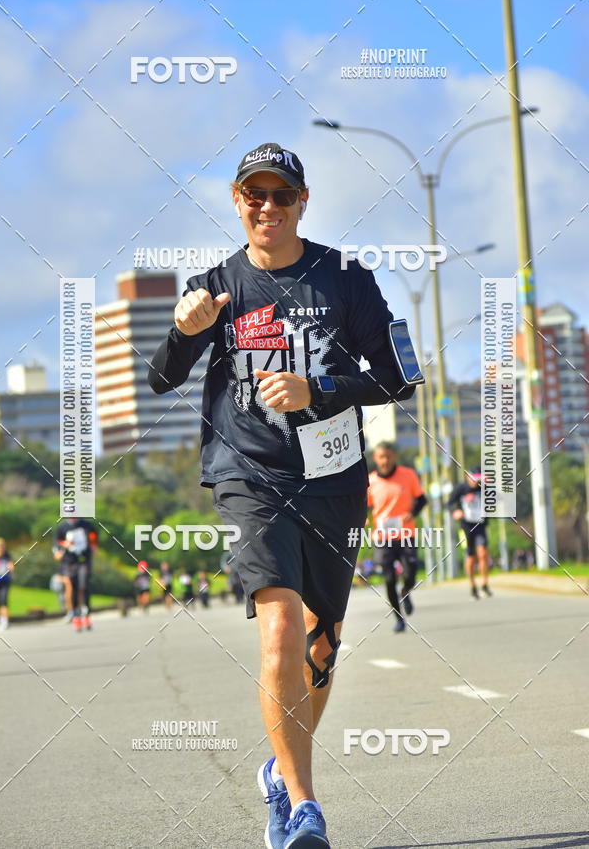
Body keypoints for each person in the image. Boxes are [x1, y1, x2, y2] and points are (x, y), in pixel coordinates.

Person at [148, 141, 418, 848]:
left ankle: (279, 768)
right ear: (236, 201)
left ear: (303, 203)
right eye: (254, 195)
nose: (267, 207)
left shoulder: (347, 279)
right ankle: (303, 805)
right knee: (281, 625)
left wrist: (319, 388)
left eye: (281, 195)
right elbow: (161, 377)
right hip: (249, 474)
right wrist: (182, 333)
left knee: (322, 644)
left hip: (333, 478)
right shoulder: (214, 285)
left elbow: (399, 378)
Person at [367, 443, 428, 632]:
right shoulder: (370, 481)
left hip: (406, 533)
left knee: (411, 572)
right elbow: (363, 506)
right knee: (389, 579)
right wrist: (364, 520)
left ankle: (406, 590)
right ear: (376, 459)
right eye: (381, 457)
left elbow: (422, 499)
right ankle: (399, 618)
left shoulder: (408, 475)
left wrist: (413, 513)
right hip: (383, 536)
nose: (385, 460)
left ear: (393, 457)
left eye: (388, 456)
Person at [448, 471, 493, 600]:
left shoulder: (484, 487)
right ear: (467, 477)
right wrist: (455, 511)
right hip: (465, 527)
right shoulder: (461, 488)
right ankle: (472, 585)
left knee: (483, 553)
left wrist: (490, 484)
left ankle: (484, 584)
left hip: (480, 525)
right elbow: (450, 503)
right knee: (470, 556)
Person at [52, 517, 98, 631]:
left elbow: (93, 534)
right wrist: (63, 546)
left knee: (84, 585)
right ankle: (76, 616)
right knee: (73, 587)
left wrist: (93, 544)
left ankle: (86, 614)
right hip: (69, 562)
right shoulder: (62, 527)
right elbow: (57, 542)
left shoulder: (86, 524)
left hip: (84, 559)